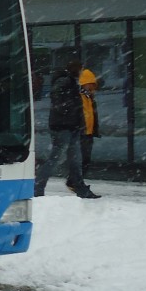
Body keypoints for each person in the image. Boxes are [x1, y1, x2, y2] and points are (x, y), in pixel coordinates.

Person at [35, 58, 100, 199]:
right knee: (57, 158)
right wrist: (72, 111)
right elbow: (59, 103)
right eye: (81, 70)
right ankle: (38, 186)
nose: (82, 73)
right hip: (63, 127)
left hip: (71, 127)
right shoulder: (65, 82)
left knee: (74, 160)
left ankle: (79, 188)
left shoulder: (71, 83)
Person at [69, 68, 100, 184]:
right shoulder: (79, 97)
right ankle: (76, 181)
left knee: (85, 159)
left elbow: (91, 115)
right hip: (82, 133)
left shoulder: (89, 98)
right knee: (81, 159)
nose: (91, 87)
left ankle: (76, 181)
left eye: (93, 85)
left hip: (88, 133)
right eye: (90, 84)